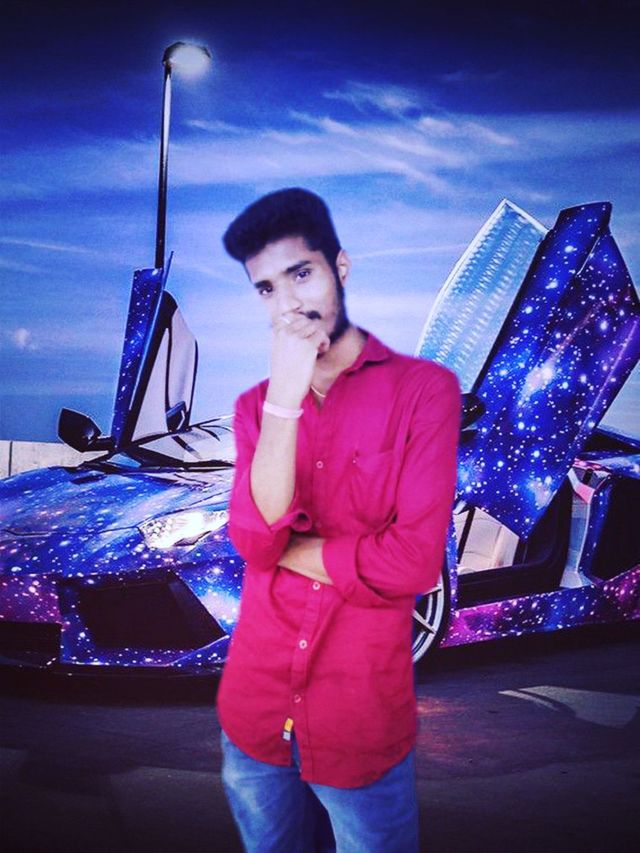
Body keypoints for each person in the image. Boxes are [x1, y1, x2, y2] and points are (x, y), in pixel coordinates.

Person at [217, 187, 461, 852]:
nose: (288, 304)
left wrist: (292, 550)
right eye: (267, 288)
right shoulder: (255, 407)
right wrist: (285, 399)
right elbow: (253, 538)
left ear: (340, 267)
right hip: (255, 715)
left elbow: (412, 562)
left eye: (301, 274)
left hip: (359, 720)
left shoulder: (423, 391)